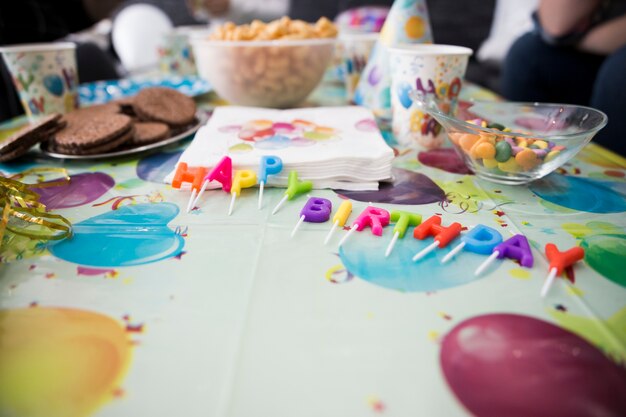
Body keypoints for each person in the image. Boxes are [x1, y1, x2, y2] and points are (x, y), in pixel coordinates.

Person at [501, 0, 626, 155]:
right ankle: (523, 156)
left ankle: (611, 172)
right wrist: (582, 40)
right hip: (600, 42)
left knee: (619, 73)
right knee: (529, 54)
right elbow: (557, 25)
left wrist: (578, 40)